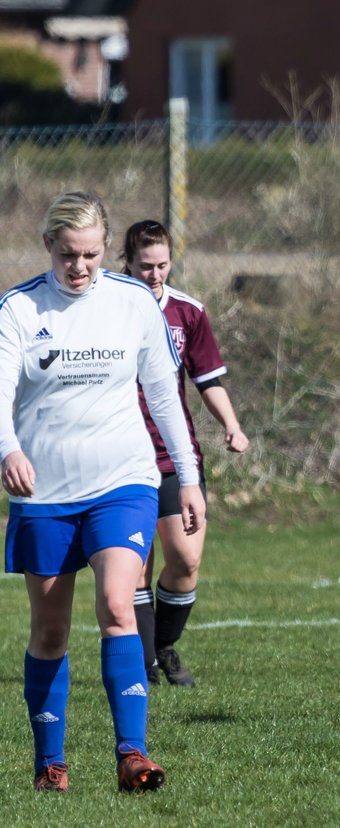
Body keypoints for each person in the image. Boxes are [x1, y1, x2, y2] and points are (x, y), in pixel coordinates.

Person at [0, 191, 206, 792]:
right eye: (69, 255)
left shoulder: (132, 301)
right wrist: (8, 449)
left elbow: (164, 395)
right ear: (48, 248)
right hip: (45, 491)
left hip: (124, 480)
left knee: (119, 604)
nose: (81, 267)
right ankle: (49, 764)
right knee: (50, 631)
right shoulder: (17, 309)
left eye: (91, 254)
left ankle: (133, 754)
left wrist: (188, 478)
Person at [119, 220, 249, 688]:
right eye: (145, 265)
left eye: (163, 265)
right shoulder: (108, 310)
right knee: (135, 565)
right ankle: (147, 666)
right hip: (122, 456)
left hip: (174, 455)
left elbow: (207, 379)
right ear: (127, 262)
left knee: (186, 559)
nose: (155, 274)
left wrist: (231, 426)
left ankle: (162, 646)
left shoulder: (187, 312)